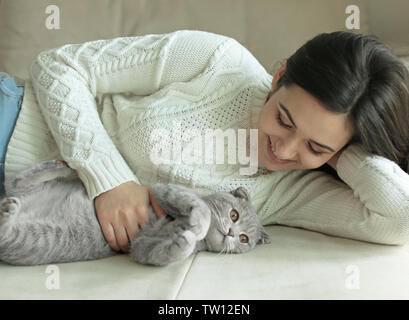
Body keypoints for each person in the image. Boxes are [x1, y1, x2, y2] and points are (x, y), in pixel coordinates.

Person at [1, 30, 409, 253]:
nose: (284, 151)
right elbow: (59, 65)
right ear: (279, 76)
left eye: (315, 147)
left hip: (22, 209)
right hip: (12, 119)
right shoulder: (215, 60)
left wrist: (349, 148)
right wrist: (110, 179)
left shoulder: (297, 190)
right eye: (283, 119)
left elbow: (399, 219)